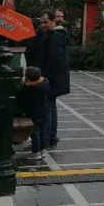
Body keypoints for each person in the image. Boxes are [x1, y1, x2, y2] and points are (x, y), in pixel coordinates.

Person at [38, 9, 71, 148]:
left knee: (48, 108)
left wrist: (43, 76)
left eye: (46, 22)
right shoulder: (56, 34)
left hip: (52, 78)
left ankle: (47, 138)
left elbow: (54, 58)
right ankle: (50, 137)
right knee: (51, 107)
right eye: (41, 22)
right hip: (57, 77)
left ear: (53, 21)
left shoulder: (55, 36)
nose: (43, 25)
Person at [18, 66, 51, 162]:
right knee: (43, 131)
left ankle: (35, 152)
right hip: (44, 110)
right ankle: (43, 150)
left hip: (33, 113)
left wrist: (23, 82)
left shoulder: (28, 88)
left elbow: (20, 95)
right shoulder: (45, 82)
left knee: (35, 132)